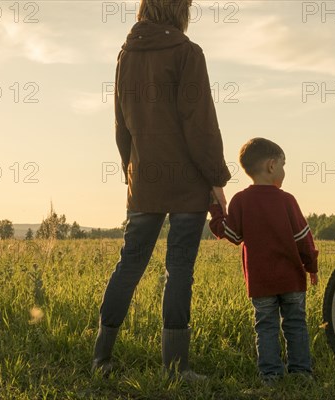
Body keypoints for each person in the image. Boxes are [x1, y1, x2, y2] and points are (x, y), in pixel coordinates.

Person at [92, 0, 231, 381]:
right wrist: (216, 178)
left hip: (144, 178)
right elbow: (199, 122)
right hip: (186, 179)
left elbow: (120, 123)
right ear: (179, 10)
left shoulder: (125, 55)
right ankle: (175, 367)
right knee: (179, 268)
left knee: (130, 263)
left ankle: (100, 358)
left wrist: (130, 170)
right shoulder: (188, 53)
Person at [209, 138, 319, 384]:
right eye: (283, 164)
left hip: (261, 282)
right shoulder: (287, 200)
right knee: (295, 325)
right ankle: (301, 373)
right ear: (271, 166)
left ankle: (270, 376)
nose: (283, 170)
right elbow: (303, 238)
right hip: (291, 278)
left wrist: (216, 210)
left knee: (266, 327)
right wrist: (311, 266)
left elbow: (232, 235)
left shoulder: (240, 201)